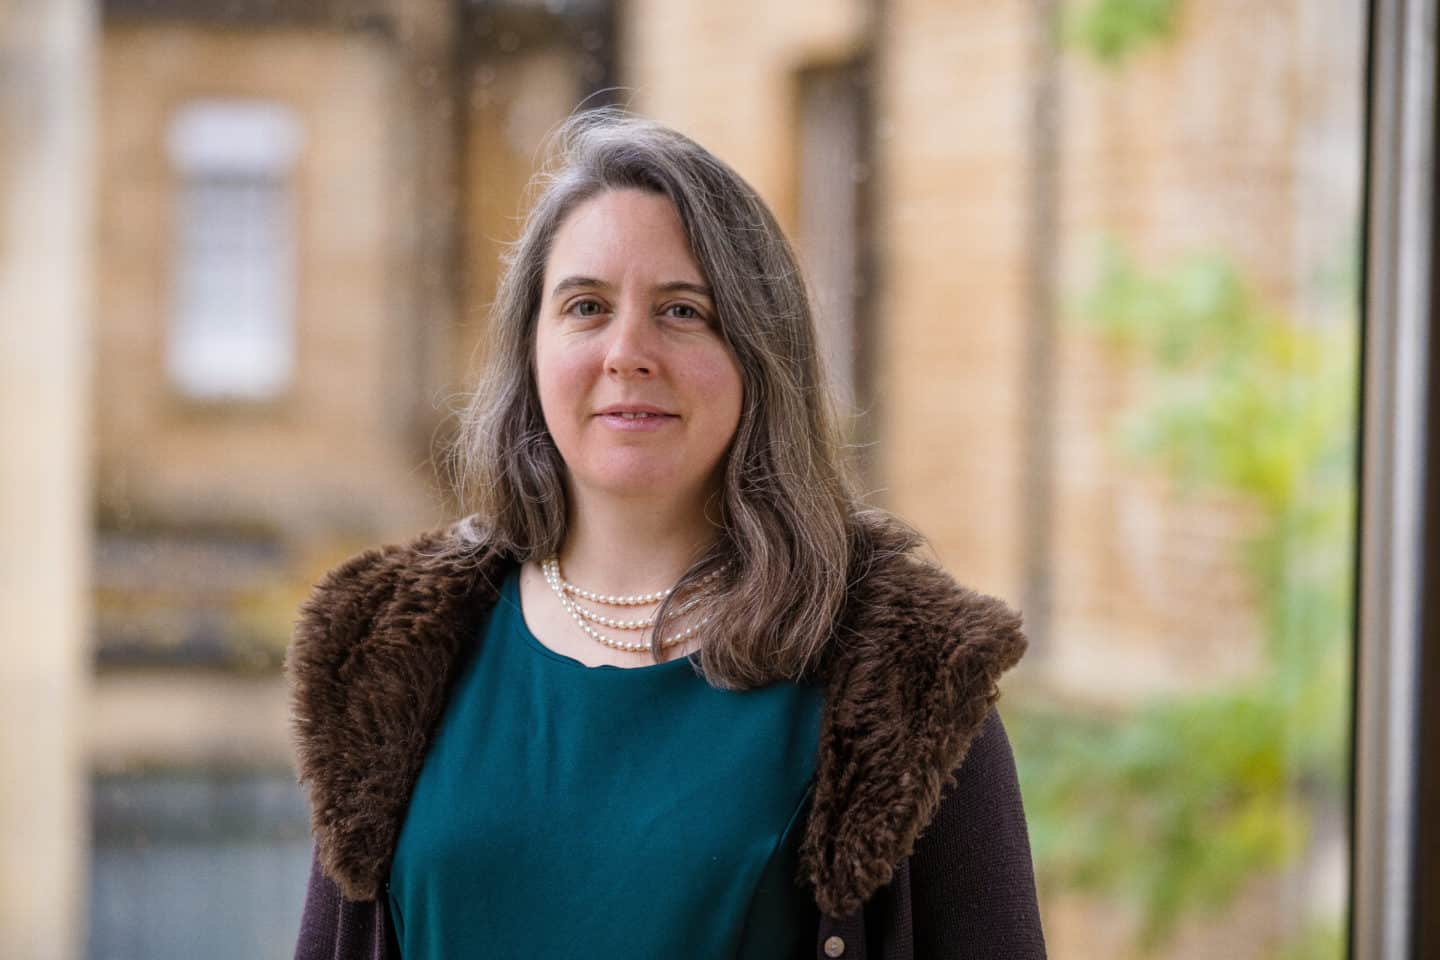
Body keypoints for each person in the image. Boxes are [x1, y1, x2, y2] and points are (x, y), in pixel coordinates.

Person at [289, 111, 1045, 960]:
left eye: (682, 310)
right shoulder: (389, 651)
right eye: (585, 306)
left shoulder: (911, 681)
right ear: (530, 348)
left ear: (760, 352)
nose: (627, 352)